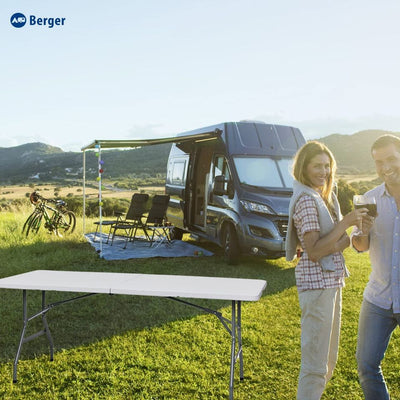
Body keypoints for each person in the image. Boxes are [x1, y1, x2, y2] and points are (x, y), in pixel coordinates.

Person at [286, 141, 366, 400]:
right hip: (317, 285)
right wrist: (346, 224)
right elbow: (315, 251)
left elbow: (338, 243)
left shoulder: (323, 197)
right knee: (315, 366)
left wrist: (341, 237)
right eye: (317, 166)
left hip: (330, 282)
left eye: (327, 166)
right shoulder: (307, 201)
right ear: (303, 168)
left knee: (328, 362)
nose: (324, 171)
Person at [352, 134, 400, 400]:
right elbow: (360, 246)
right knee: (367, 366)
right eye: (379, 162)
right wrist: (362, 232)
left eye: (391, 159)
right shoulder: (369, 199)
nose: (385, 167)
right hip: (378, 298)